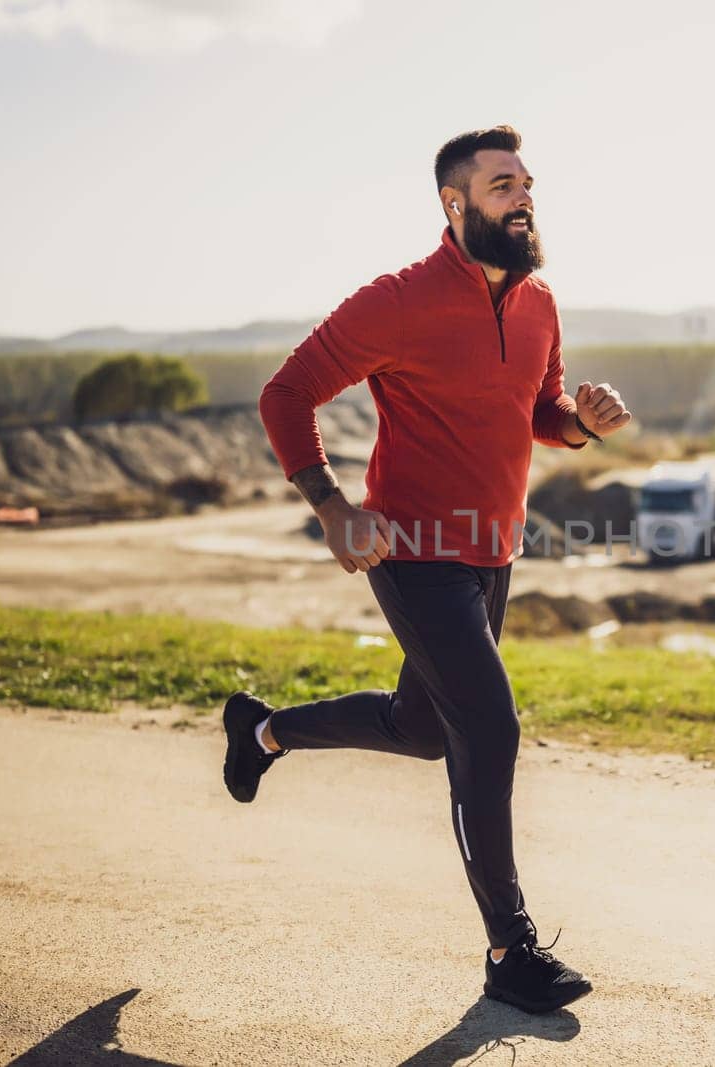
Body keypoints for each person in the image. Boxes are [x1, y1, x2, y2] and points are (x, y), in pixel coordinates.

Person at [226, 125, 632, 1015]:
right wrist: (333, 507)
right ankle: (509, 948)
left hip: (493, 552)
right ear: (455, 204)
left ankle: (261, 732)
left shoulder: (539, 302)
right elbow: (285, 393)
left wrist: (583, 421)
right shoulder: (398, 301)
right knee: (488, 730)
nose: (522, 197)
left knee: (423, 726)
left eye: (525, 183)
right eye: (500, 185)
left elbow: (540, 413)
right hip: (412, 551)